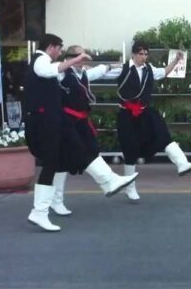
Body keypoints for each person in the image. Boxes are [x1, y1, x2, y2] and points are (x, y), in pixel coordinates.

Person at [25, 34, 138, 232]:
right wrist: (76, 59)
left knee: (61, 160)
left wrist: (112, 66)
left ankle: (41, 211)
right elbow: (50, 70)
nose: (60, 53)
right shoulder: (41, 60)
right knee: (63, 158)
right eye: (59, 49)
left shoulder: (51, 63)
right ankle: (107, 181)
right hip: (45, 122)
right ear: (51, 47)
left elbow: (92, 72)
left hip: (52, 120)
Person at [115, 41, 191, 201]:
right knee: (130, 149)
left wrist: (176, 61)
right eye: (141, 54)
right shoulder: (123, 69)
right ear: (133, 54)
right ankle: (130, 188)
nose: (144, 57)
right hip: (126, 114)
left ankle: (182, 163)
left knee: (162, 134)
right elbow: (98, 74)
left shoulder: (149, 69)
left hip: (144, 112)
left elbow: (164, 72)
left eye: (146, 54)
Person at [49, 45, 124, 215]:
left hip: (81, 121)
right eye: (79, 57)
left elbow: (97, 71)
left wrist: (112, 66)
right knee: (76, 155)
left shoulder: (83, 74)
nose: (82, 60)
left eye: (83, 57)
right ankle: (108, 180)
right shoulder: (61, 73)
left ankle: (108, 183)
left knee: (88, 151)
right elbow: (55, 70)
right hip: (66, 121)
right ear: (70, 58)